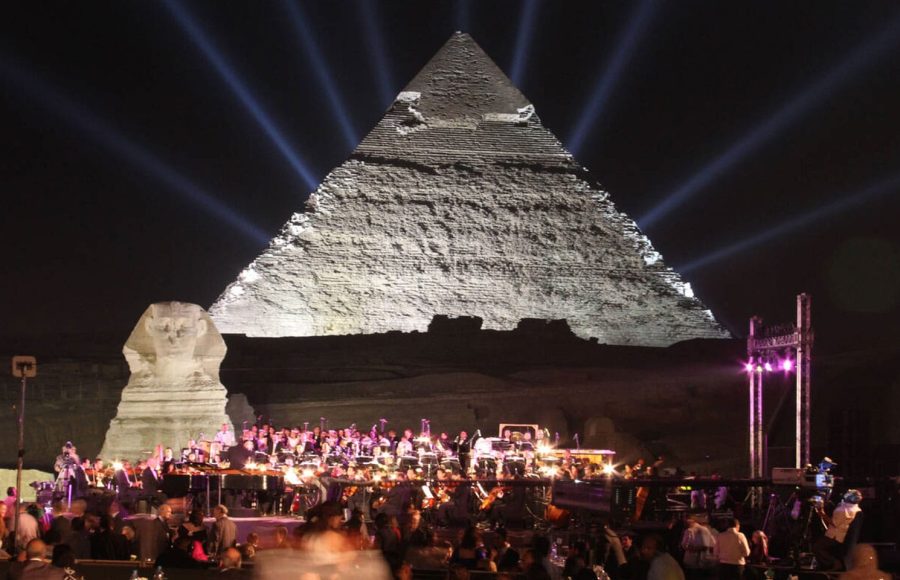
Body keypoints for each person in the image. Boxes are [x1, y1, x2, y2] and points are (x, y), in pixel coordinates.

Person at [814, 489, 863, 571]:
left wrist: (822, 513)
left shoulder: (847, 509)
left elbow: (834, 523)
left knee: (817, 548)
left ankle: (834, 563)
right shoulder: (850, 507)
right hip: (834, 534)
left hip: (835, 537)